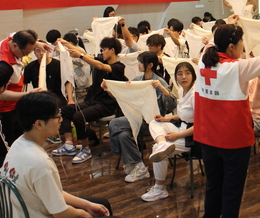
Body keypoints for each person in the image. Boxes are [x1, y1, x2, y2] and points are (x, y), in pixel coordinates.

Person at [194, 17, 260, 218]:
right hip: (233, 142)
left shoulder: (203, 61)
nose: (243, 46)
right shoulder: (237, 68)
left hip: (207, 139)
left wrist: (227, 23)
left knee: (213, 186)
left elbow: (212, 42)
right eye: (242, 42)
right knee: (232, 192)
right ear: (231, 47)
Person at [1, 91, 119, 218]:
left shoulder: (18, 144)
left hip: (21, 211)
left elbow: (53, 192)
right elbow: (60, 213)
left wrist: (87, 205)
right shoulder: (40, 163)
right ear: (39, 124)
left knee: (101, 203)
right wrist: (84, 214)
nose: (61, 120)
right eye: (57, 116)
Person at [53, 37, 126, 164]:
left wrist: (80, 56)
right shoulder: (101, 60)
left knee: (78, 116)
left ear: (112, 50)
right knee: (65, 110)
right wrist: (66, 44)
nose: (102, 52)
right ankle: (69, 144)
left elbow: (100, 66)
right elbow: (86, 55)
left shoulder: (118, 67)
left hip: (107, 105)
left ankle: (85, 149)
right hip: (93, 101)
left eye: (104, 50)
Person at [106, 51, 176, 182]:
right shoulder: (137, 81)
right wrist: (109, 90)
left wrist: (162, 89)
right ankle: (139, 166)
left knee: (115, 124)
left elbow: (171, 105)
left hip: (152, 123)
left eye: (140, 62)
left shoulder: (159, 82)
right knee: (123, 135)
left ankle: (125, 159)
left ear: (150, 65)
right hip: (136, 119)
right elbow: (125, 96)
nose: (138, 64)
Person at [141, 61, 196, 201]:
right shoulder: (183, 91)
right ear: (175, 77)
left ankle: (159, 189)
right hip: (182, 126)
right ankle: (162, 144)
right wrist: (166, 119)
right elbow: (184, 115)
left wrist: (178, 135)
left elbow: (202, 124)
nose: (184, 77)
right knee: (154, 122)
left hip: (193, 136)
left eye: (187, 73)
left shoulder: (196, 94)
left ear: (193, 75)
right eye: (180, 74)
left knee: (156, 150)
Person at [0, 30, 47, 145]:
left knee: (20, 139)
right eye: (26, 53)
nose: (27, 56)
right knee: (9, 143)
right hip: (3, 110)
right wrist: (27, 94)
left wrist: (38, 44)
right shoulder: (2, 65)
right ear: (15, 46)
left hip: (15, 105)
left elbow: (16, 34)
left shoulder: (11, 40)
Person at [23, 41, 74, 106]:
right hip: (39, 98)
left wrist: (70, 100)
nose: (41, 53)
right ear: (34, 53)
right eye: (38, 51)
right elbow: (24, 83)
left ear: (48, 51)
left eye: (44, 50)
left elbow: (67, 82)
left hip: (57, 98)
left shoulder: (59, 64)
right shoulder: (30, 67)